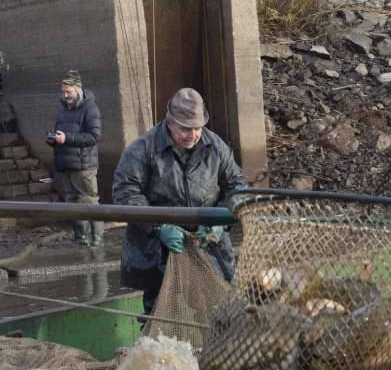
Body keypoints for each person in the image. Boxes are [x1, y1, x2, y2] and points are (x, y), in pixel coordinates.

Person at [112, 88, 247, 321]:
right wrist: (158, 227)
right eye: (185, 128)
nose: (192, 135)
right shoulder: (142, 149)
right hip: (158, 247)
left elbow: (238, 187)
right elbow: (125, 193)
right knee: (159, 314)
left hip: (207, 242)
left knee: (216, 310)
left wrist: (221, 220)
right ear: (169, 123)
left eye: (197, 128)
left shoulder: (216, 147)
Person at [47, 70, 105, 247]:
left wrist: (67, 139)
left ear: (78, 89)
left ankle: (97, 241)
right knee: (72, 203)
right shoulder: (63, 111)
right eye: (63, 92)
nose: (65, 96)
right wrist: (52, 141)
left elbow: (94, 137)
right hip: (66, 166)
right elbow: (63, 136)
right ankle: (80, 240)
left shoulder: (90, 108)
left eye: (68, 92)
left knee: (90, 202)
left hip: (83, 166)